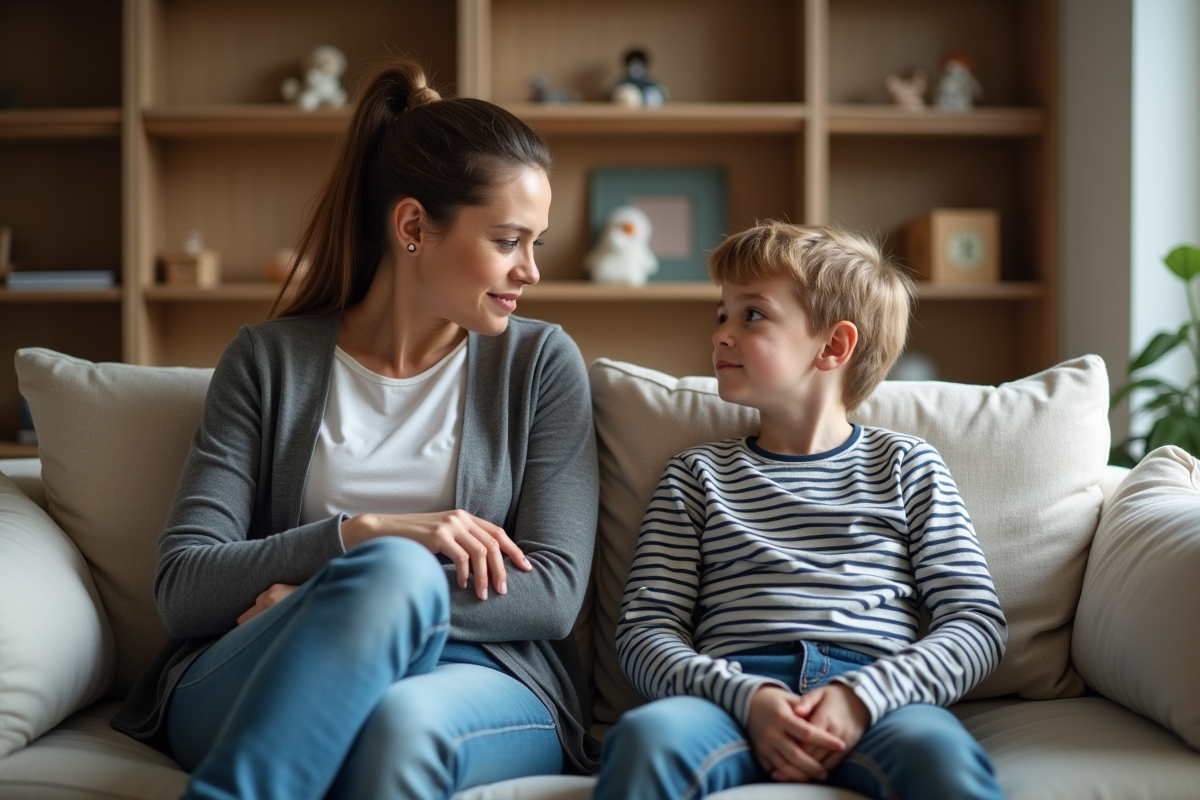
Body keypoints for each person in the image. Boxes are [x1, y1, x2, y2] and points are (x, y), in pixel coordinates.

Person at [111, 58, 600, 800]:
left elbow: (553, 593)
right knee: (394, 566)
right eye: (508, 241)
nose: (531, 270)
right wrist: (358, 538)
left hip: (473, 678)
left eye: (537, 242)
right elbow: (184, 585)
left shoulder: (540, 364)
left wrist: (326, 602)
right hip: (265, 663)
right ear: (413, 227)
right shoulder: (267, 360)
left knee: (397, 723)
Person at [595, 221, 1009, 800]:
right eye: (722, 315)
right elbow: (645, 630)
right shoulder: (696, 475)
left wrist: (862, 698)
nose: (721, 334)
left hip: (878, 700)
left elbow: (975, 624)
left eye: (752, 315)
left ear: (833, 346)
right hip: (729, 699)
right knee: (647, 740)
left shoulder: (908, 465)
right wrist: (748, 698)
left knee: (940, 758)